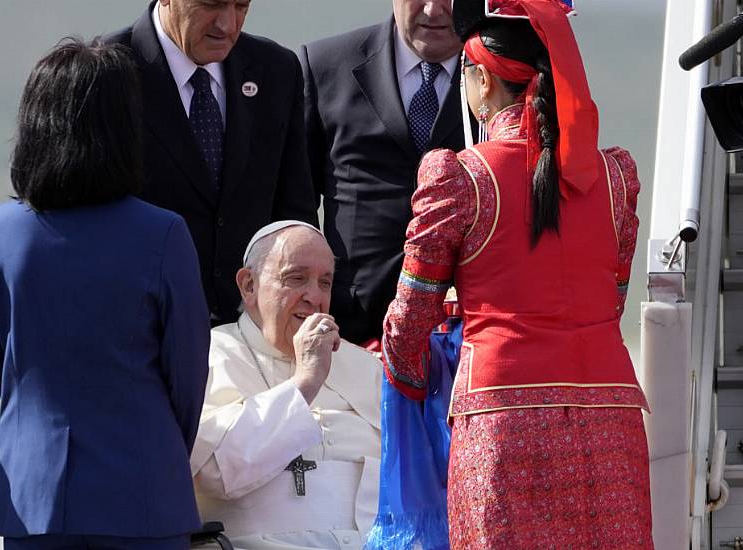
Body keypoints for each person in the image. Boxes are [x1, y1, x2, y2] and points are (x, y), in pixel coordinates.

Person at [381, 1, 654, 548]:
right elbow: (615, 294)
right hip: (612, 418)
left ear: (480, 79)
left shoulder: (460, 178)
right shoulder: (615, 176)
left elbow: (412, 319)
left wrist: (409, 375)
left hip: (503, 419)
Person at [0, 39, 210, 550]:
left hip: (31, 492)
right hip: (144, 488)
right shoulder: (163, 233)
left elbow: (4, 362)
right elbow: (187, 376)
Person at [107, 0, 318, 326]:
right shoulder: (107, 70)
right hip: (139, 330)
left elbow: (294, 212)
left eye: (241, 6)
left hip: (250, 341)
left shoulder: (276, 69)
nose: (228, 25)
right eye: (211, 5)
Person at [190, 221, 382, 550]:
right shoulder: (205, 355)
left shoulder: (367, 366)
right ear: (248, 285)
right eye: (296, 278)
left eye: (325, 282)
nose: (315, 297)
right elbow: (214, 473)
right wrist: (304, 382)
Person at [299, 0, 475, 345]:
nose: (433, 10)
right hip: (350, 325)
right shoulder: (324, 65)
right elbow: (295, 203)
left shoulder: (508, 71)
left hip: (467, 326)